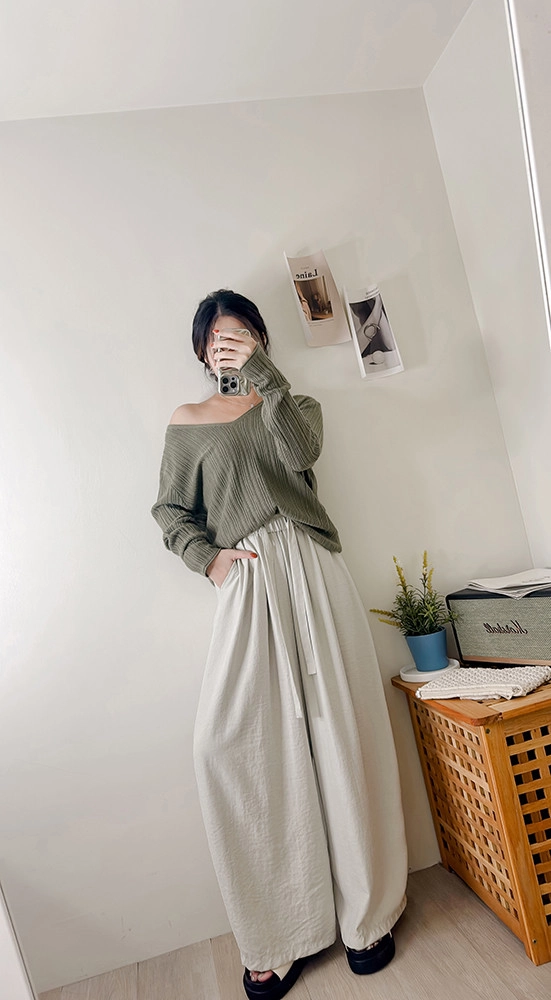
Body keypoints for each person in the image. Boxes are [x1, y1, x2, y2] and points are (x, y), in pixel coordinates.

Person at [151, 290, 408, 1000]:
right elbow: (170, 509)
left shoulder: (292, 403)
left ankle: (366, 916)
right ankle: (282, 931)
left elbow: (302, 454)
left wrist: (266, 378)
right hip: (247, 579)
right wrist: (208, 558)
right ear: (201, 351)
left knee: (342, 732)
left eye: (239, 333)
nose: (226, 344)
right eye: (215, 338)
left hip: (314, 567)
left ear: (261, 340)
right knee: (230, 745)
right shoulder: (187, 421)